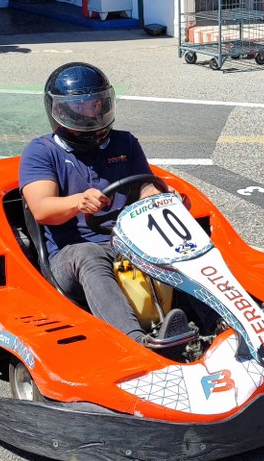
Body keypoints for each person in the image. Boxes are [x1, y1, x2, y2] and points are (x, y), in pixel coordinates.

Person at [19, 62, 189, 346]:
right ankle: (134, 341)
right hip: (69, 254)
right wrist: (78, 202)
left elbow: (144, 184)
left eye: (98, 104)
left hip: (127, 241)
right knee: (90, 255)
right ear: (61, 111)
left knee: (180, 242)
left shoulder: (125, 143)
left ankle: (217, 320)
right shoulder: (42, 151)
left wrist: (158, 197)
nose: (93, 112)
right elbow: (41, 208)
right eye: (83, 107)